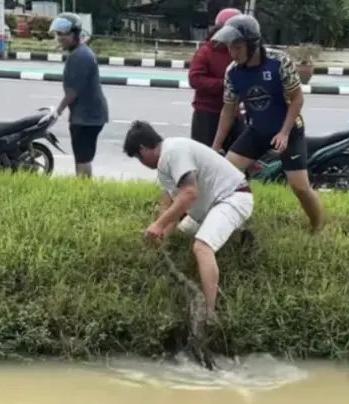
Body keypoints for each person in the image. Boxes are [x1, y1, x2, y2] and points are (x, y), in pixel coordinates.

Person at [123, 120, 254, 319]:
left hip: (233, 197)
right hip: (210, 207)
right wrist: (161, 235)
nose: (141, 162)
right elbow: (173, 209)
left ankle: (209, 313)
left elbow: (189, 194)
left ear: (143, 149)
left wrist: (158, 224)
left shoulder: (174, 151)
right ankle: (236, 237)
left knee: (201, 247)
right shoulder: (164, 167)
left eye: (138, 157)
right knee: (184, 233)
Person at [210, 14, 325, 232]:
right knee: (226, 175)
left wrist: (283, 133)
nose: (232, 53)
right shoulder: (232, 72)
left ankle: (317, 226)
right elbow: (228, 111)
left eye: (237, 47)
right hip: (257, 130)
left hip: (289, 130)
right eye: (229, 48)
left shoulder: (279, 62)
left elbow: (297, 99)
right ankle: (234, 224)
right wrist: (216, 146)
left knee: (299, 186)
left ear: (253, 44)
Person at [42, 12, 109, 178]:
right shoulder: (80, 52)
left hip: (87, 117)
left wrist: (57, 112)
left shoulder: (80, 57)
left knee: (82, 158)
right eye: (58, 34)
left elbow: (72, 92)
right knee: (82, 157)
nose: (60, 38)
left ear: (75, 34)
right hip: (87, 115)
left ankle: (83, 189)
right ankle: (83, 187)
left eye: (64, 34)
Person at [188, 8, 246, 152]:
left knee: (238, 156)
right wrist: (224, 85)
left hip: (235, 113)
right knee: (204, 157)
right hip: (208, 114)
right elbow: (195, 79)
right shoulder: (206, 52)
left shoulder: (241, 51)